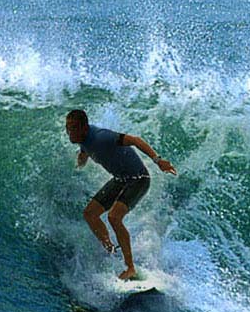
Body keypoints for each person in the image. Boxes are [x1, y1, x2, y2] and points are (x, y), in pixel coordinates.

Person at [66, 109, 177, 280]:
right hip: (121, 179)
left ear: (84, 128)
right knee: (90, 214)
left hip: (139, 179)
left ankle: (130, 267)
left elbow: (135, 140)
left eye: (73, 129)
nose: (69, 133)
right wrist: (78, 165)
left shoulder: (102, 136)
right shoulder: (82, 140)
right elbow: (84, 150)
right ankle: (110, 249)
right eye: (67, 128)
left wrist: (158, 160)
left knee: (114, 217)